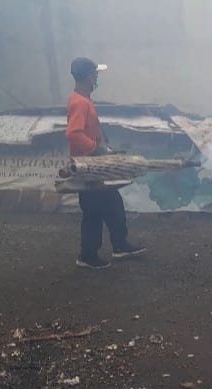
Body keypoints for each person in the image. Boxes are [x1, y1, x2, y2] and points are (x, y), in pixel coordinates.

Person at [67, 57, 146, 269]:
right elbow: (74, 134)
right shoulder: (80, 102)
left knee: (112, 204)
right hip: (89, 167)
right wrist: (97, 148)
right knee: (95, 210)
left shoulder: (83, 100)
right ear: (88, 77)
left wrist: (105, 147)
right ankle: (88, 255)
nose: (97, 77)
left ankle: (119, 245)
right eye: (95, 73)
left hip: (94, 165)